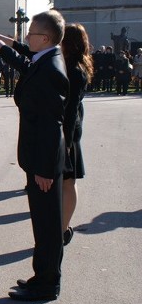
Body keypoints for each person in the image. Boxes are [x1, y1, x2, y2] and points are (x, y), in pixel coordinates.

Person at [0, 10, 69, 301]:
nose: (26, 37)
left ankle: (48, 284)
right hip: (38, 157)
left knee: (48, 225)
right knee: (42, 222)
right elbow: (28, 64)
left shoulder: (51, 70)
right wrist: (7, 48)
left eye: (31, 33)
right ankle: (41, 276)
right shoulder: (46, 59)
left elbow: (51, 124)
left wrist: (46, 169)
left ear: (45, 38)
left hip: (44, 161)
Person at [59, 23, 94, 247]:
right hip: (69, 127)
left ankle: (63, 229)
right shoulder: (71, 64)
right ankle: (61, 226)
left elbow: (71, 108)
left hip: (69, 130)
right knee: (64, 180)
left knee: (68, 181)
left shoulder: (75, 70)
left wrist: (68, 140)